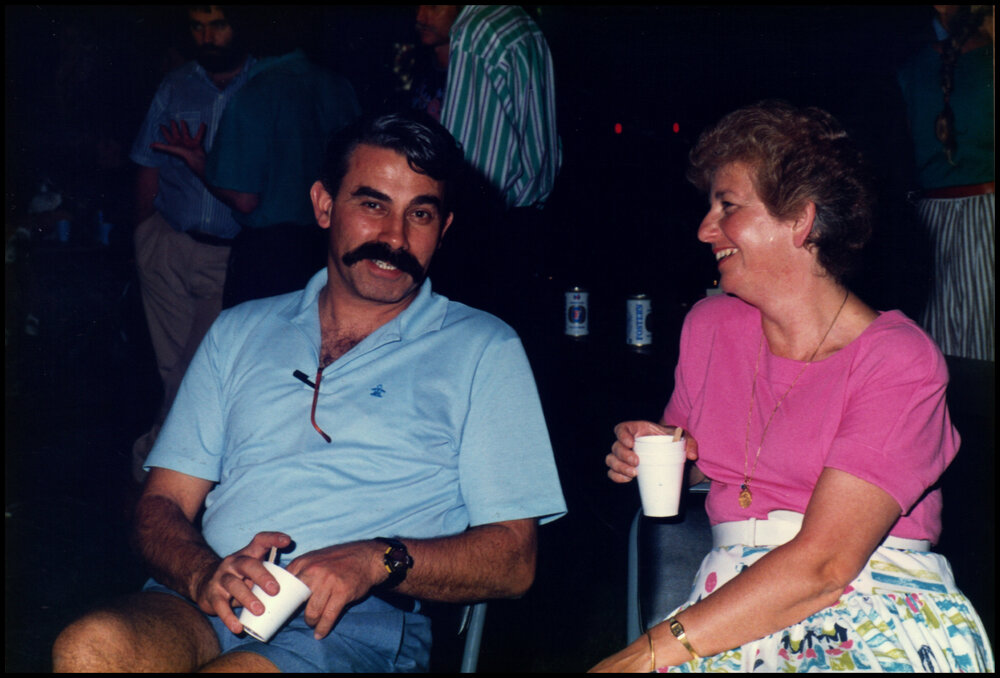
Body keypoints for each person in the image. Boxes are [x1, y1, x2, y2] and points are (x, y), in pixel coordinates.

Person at [51, 112, 566, 673]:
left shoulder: (482, 347)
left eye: (420, 214)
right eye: (373, 205)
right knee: (89, 647)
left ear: (443, 229)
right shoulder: (239, 331)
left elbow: (515, 559)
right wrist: (202, 573)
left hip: (356, 621)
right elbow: (162, 504)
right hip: (208, 596)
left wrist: (377, 559)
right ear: (324, 205)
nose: (395, 238)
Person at [596, 101, 993, 672]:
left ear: (800, 221)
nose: (705, 229)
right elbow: (700, 467)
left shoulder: (898, 361)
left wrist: (643, 653)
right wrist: (660, 452)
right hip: (729, 607)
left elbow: (825, 566)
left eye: (728, 206)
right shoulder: (709, 327)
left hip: (870, 604)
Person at [128, 5, 256, 482]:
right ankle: (186, 480)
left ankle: (151, 474)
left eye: (217, 25)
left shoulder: (265, 86)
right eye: (197, 27)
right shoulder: (176, 85)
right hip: (168, 244)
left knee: (193, 374)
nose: (207, 37)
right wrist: (144, 235)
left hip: (227, 255)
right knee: (172, 373)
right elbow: (147, 161)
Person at [152, 20, 362, 309]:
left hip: (270, 257)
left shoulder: (255, 94)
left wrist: (199, 163)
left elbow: (244, 199)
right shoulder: (338, 86)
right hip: (328, 246)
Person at [408, 5, 562, 320]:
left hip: (484, 229)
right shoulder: (520, 21)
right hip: (531, 223)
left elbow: (465, 160)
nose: (420, 15)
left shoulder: (475, 31)